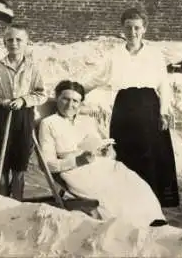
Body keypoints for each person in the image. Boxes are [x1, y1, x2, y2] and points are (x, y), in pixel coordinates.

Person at [81, 8, 179, 208]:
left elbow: (163, 85)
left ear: (144, 29)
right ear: (122, 29)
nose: (132, 32)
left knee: (150, 155)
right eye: (128, 28)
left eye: (137, 28)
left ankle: (151, 203)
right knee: (124, 153)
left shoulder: (154, 55)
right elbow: (97, 79)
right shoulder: (114, 55)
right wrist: (74, 91)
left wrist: (163, 112)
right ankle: (127, 202)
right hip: (124, 107)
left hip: (149, 107)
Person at [38, 80, 168, 227]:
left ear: (80, 103)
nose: (70, 105)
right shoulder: (48, 123)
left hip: (101, 165)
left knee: (135, 183)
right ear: (57, 98)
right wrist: (78, 161)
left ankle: (153, 221)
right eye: (65, 99)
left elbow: (100, 146)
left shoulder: (86, 121)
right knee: (113, 193)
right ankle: (131, 227)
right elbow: (47, 164)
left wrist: (106, 151)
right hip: (75, 171)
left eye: (75, 101)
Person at [0, 23, 47, 201]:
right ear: (4, 42)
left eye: (18, 40)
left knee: (21, 157)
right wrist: (0, 101)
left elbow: (42, 93)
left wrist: (24, 100)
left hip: (24, 116)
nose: (14, 43)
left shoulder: (33, 68)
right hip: (2, 114)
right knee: (3, 156)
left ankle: (17, 196)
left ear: (27, 42)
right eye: (9, 39)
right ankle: (1, 195)